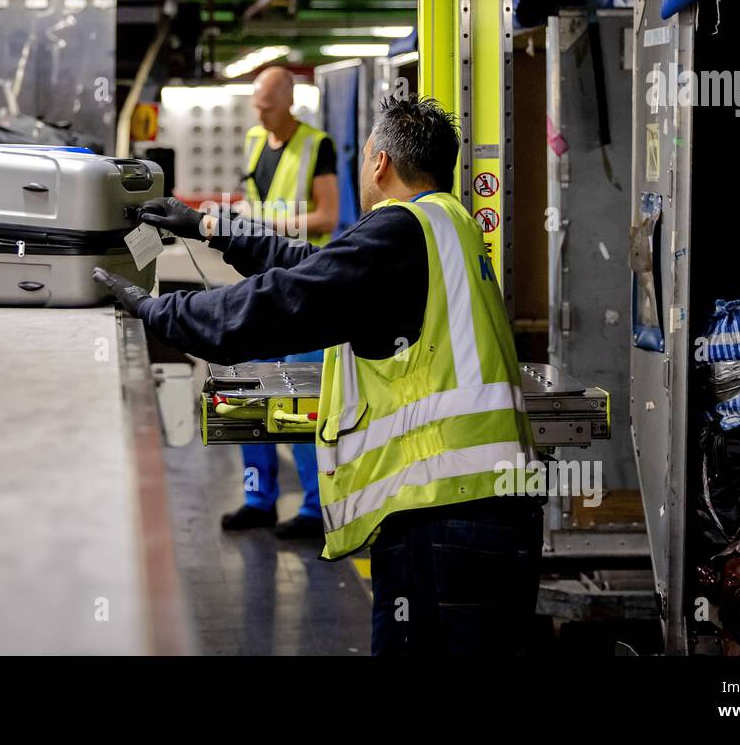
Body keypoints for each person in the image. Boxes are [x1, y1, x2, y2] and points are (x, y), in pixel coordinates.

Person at [93, 95, 541, 656]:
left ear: (378, 162)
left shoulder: (400, 231)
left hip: (444, 518)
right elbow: (315, 264)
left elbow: (285, 300)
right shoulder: (450, 225)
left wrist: (159, 311)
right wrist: (210, 226)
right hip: (490, 510)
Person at [224, 66, 339, 540]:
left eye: (268, 104)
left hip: (302, 287)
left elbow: (328, 215)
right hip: (261, 282)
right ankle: (258, 498)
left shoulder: (318, 145)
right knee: (250, 389)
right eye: (256, 103)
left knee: (300, 399)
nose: (260, 111)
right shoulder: (254, 140)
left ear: (288, 101)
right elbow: (253, 200)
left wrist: (267, 222)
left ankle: (316, 508)